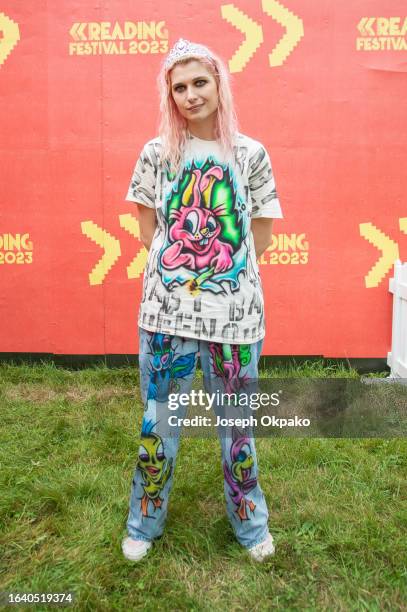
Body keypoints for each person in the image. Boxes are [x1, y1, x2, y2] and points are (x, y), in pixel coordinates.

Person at [122, 38, 283, 563]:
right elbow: (151, 231)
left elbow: (262, 234)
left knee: (238, 430)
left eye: (200, 83)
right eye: (180, 87)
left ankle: (251, 527)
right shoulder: (157, 154)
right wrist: (185, 277)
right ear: (170, 95)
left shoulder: (251, 153)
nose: (191, 95)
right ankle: (143, 524)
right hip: (165, 318)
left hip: (236, 322)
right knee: (159, 422)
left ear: (219, 85)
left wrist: (225, 276)